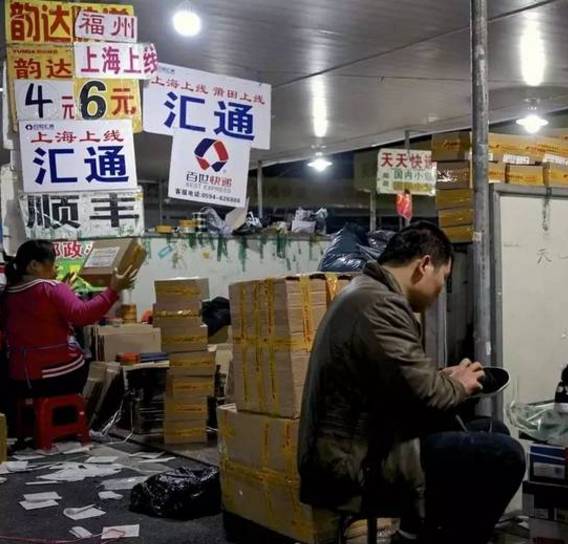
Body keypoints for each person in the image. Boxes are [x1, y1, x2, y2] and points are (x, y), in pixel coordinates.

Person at [298, 222, 525, 544]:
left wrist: (444, 378)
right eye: (444, 278)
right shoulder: (379, 304)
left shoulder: (366, 294)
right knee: (504, 454)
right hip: (353, 463)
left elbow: (399, 381)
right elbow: (428, 397)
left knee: (492, 430)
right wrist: (459, 384)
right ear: (424, 265)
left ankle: (426, 529)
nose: (441, 289)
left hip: (360, 445)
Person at [2, 240, 137, 398]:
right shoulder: (51, 288)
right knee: (99, 367)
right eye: (53, 263)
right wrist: (113, 290)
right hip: (57, 376)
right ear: (34, 265)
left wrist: (63, 293)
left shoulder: (8, 293)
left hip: (19, 378)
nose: (56, 267)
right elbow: (83, 315)